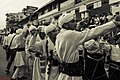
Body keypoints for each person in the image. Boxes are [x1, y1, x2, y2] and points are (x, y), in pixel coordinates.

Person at [55, 12, 120, 80]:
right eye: (72, 21)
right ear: (65, 25)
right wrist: (113, 23)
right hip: (72, 76)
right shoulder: (69, 34)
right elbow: (92, 33)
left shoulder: (60, 35)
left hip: (65, 73)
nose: (75, 23)